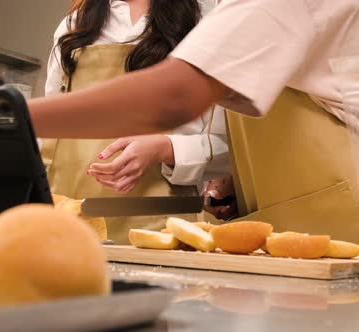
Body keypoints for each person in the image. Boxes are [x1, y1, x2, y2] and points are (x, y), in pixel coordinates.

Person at [30, 0, 359, 244]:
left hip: (343, 213)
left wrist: (9, 114)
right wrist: (241, 179)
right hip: (310, 207)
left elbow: (175, 96)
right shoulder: (73, 26)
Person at [42, 0, 229, 244]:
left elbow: (225, 148)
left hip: (159, 229)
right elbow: (49, 132)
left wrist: (162, 148)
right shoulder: (75, 23)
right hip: (68, 226)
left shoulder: (205, 20)